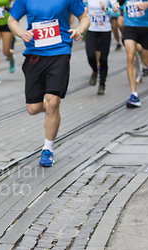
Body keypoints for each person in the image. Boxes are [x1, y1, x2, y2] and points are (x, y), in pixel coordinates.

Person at [8, 0, 90, 167]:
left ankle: (48, 149)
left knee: (52, 102)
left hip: (60, 51)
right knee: (33, 109)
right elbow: (11, 20)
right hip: (35, 53)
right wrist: (21, 33)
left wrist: (79, 30)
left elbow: (85, 17)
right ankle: (50, 109)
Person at [112, 0, 148, 108]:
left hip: (147, 27)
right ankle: (134, 95)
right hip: (130, 26)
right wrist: (117, 4)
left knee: (146, 61)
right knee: (130, 56)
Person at [86, 0, 120, 95]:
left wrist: (105, 9)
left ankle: (102, 84)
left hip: (105, 30)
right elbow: (80, 8)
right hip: (91, 29)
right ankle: (95, 70)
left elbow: (117, 13)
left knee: (103, 59)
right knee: (91, 55)